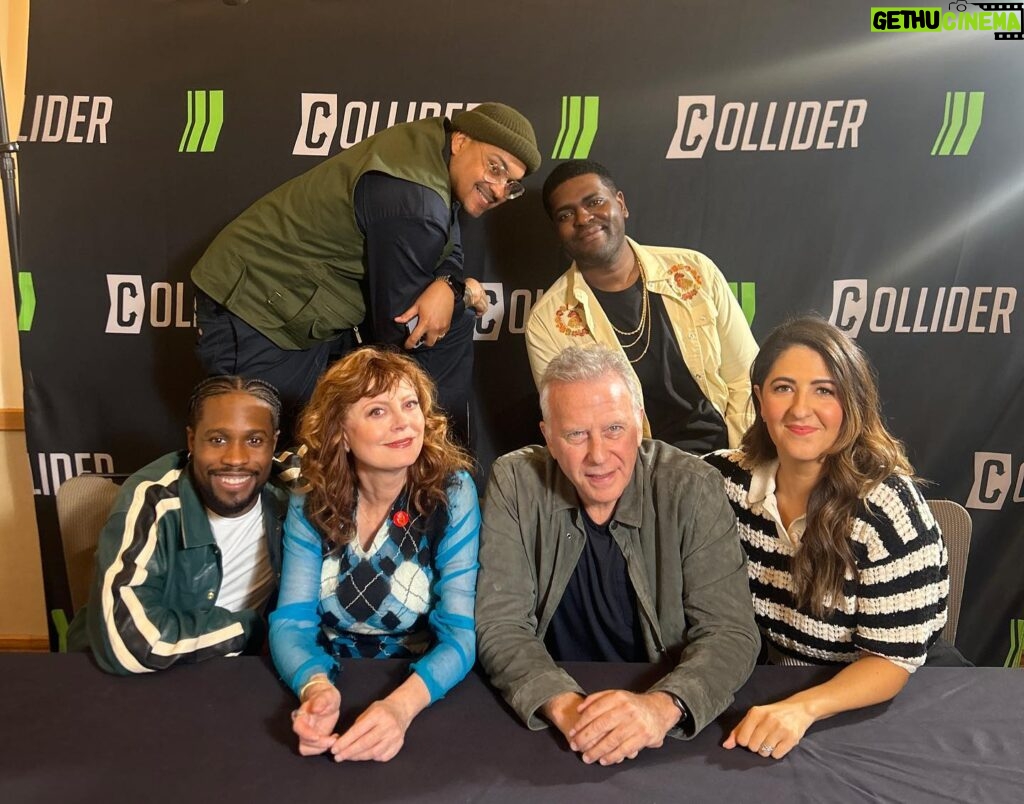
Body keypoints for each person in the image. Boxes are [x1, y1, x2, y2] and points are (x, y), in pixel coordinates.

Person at [475, 345, 759, 766]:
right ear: (548, 437)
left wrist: (661, 708)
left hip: (661, 722)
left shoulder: (692, 487)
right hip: (559, 723)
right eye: (576, 435)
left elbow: (731, 633)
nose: (598, 455)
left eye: (613, 429)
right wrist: (564, 705)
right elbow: (501, 622)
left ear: (640, 424)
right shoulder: (515, 482)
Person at [192, 102, 542, 444]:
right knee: (260, 448)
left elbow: (449, 249)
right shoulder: (415, 198)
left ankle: (439, 463)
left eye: (511, 185)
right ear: (461, 141)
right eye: (495, 168)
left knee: (452, 323)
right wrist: (460, 291)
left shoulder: (434, 149)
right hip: (256, 305)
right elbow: (401, 326)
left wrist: (448, 285)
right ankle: (439, 463)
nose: (499, 190)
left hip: (300, 305)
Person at [702, 315, 949, 760]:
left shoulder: (888, 510)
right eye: (783, 388)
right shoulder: (722, 481)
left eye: (824, 390)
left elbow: (890, 662)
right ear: (759, 399)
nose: (800, 409)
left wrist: (801, 710)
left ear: (850, 403)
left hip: (875, 696)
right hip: (777, 682)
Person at [269, 347, 480, 763]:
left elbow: (460, 635)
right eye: (377, 411)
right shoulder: (310, 497)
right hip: (329, 673)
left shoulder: (452, 494)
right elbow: (292, 622)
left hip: (423, 687)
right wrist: (315, 689)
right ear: (340, 433)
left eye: (410, 404)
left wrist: (400, 709)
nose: (403, 422)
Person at [525, 159, 757, 453]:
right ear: (558, 230)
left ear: (620, 204)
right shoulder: (548, 321)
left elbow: (744, 378)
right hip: (636, 477)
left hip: (728, 455)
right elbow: (571, 426)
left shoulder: (693, 271)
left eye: (594, 202)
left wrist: (741, 461)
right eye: (566, 214)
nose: (583, 218)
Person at [74, 376, 291, 674]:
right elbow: (130, 643)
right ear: (192, 441)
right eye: (218, 439)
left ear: (274, 443)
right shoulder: (153, 499)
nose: (236, 458)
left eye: (254, 441)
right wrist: (256, 628)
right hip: (137, 676)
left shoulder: (290, 491)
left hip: (241, 673)